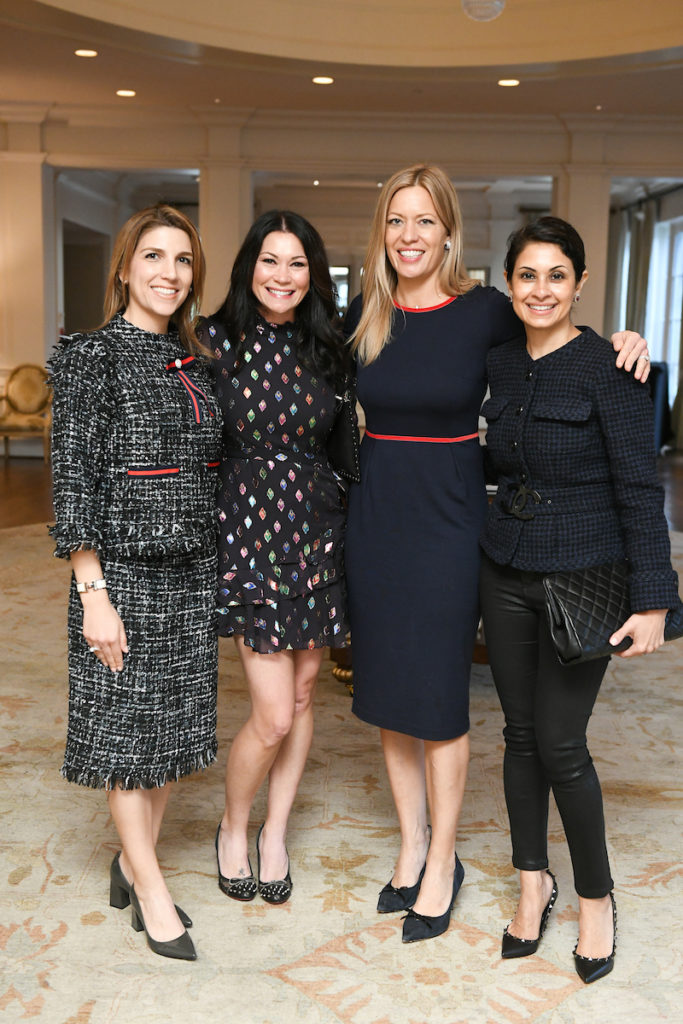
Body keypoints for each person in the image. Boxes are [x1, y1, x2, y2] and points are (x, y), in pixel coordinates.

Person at [344, 164, 651, 944]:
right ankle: (411, 845)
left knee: (438, 694)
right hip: (377, 522)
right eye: (396, 220)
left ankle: (441, 861)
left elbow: (556, 341)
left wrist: (624, 340)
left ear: (449, 232)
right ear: (382, 231)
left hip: (451, 526)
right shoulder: (364, 312)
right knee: (388, 690)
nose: (409, 235)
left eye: (424, 220)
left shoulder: (484, 310)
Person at [478, 215, 682, 982]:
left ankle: (595, 898)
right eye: (526, 275)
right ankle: (532, 882)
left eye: (556, 275)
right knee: (518, 735)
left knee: (561, 744)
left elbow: (639, 490)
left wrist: (654, 600)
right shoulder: (499, 361)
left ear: (579, 283)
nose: (540, 290)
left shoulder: (611, 368)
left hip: (582, 577)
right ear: (508, 284)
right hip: (503, 570)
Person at [50, 205, 222, 962]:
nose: (168, 273)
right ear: (124, 268)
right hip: (120, 576)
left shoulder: (194, 358)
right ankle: (151, 891)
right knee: (126, 738)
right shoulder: (91, 357)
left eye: (182, 260)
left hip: (191, 574)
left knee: (171, 735)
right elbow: (72, 482)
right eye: (153, 256)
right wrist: (93, 595)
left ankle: (131, 862)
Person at [201, 210, 350, 905]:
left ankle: (275, 833)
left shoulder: (333, 346)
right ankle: (233, 825)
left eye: (297, 263)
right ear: (248, 267)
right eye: (270, 260)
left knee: (302, 694)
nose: (282, 276)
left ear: (312, 274)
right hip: (246, 531)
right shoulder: (212, 340)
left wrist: (610, 341)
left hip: (318, 529)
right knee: (274, 714)